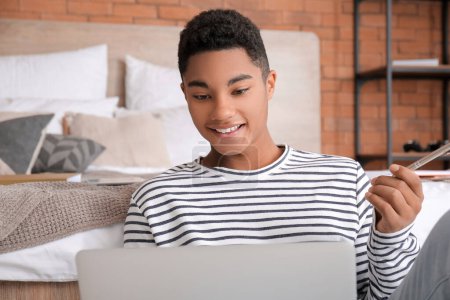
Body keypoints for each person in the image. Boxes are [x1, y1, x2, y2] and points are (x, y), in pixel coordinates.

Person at [124, 9, 428, 299]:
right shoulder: (156, 199)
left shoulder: (344, 180)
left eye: (239, 90)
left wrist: (392, 236)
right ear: (186, 96)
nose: (221, 112)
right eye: (201, 96)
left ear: (269, 85)